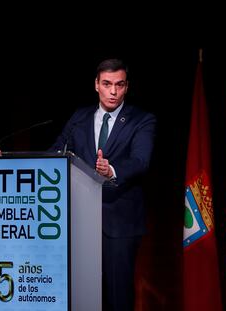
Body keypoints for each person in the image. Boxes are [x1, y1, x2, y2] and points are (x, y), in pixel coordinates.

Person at [50, 58, 156, 311]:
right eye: (107, 84)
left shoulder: (142, 120)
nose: (113, 91)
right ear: (96, 85)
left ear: (127, 87)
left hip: (119, 222)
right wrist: (19, 163)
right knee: (82, 296)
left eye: (119, 85)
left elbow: (141, 160)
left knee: (117, 298)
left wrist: (112, 170)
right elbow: (56, 151)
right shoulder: (79, 117)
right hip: (79, 222)